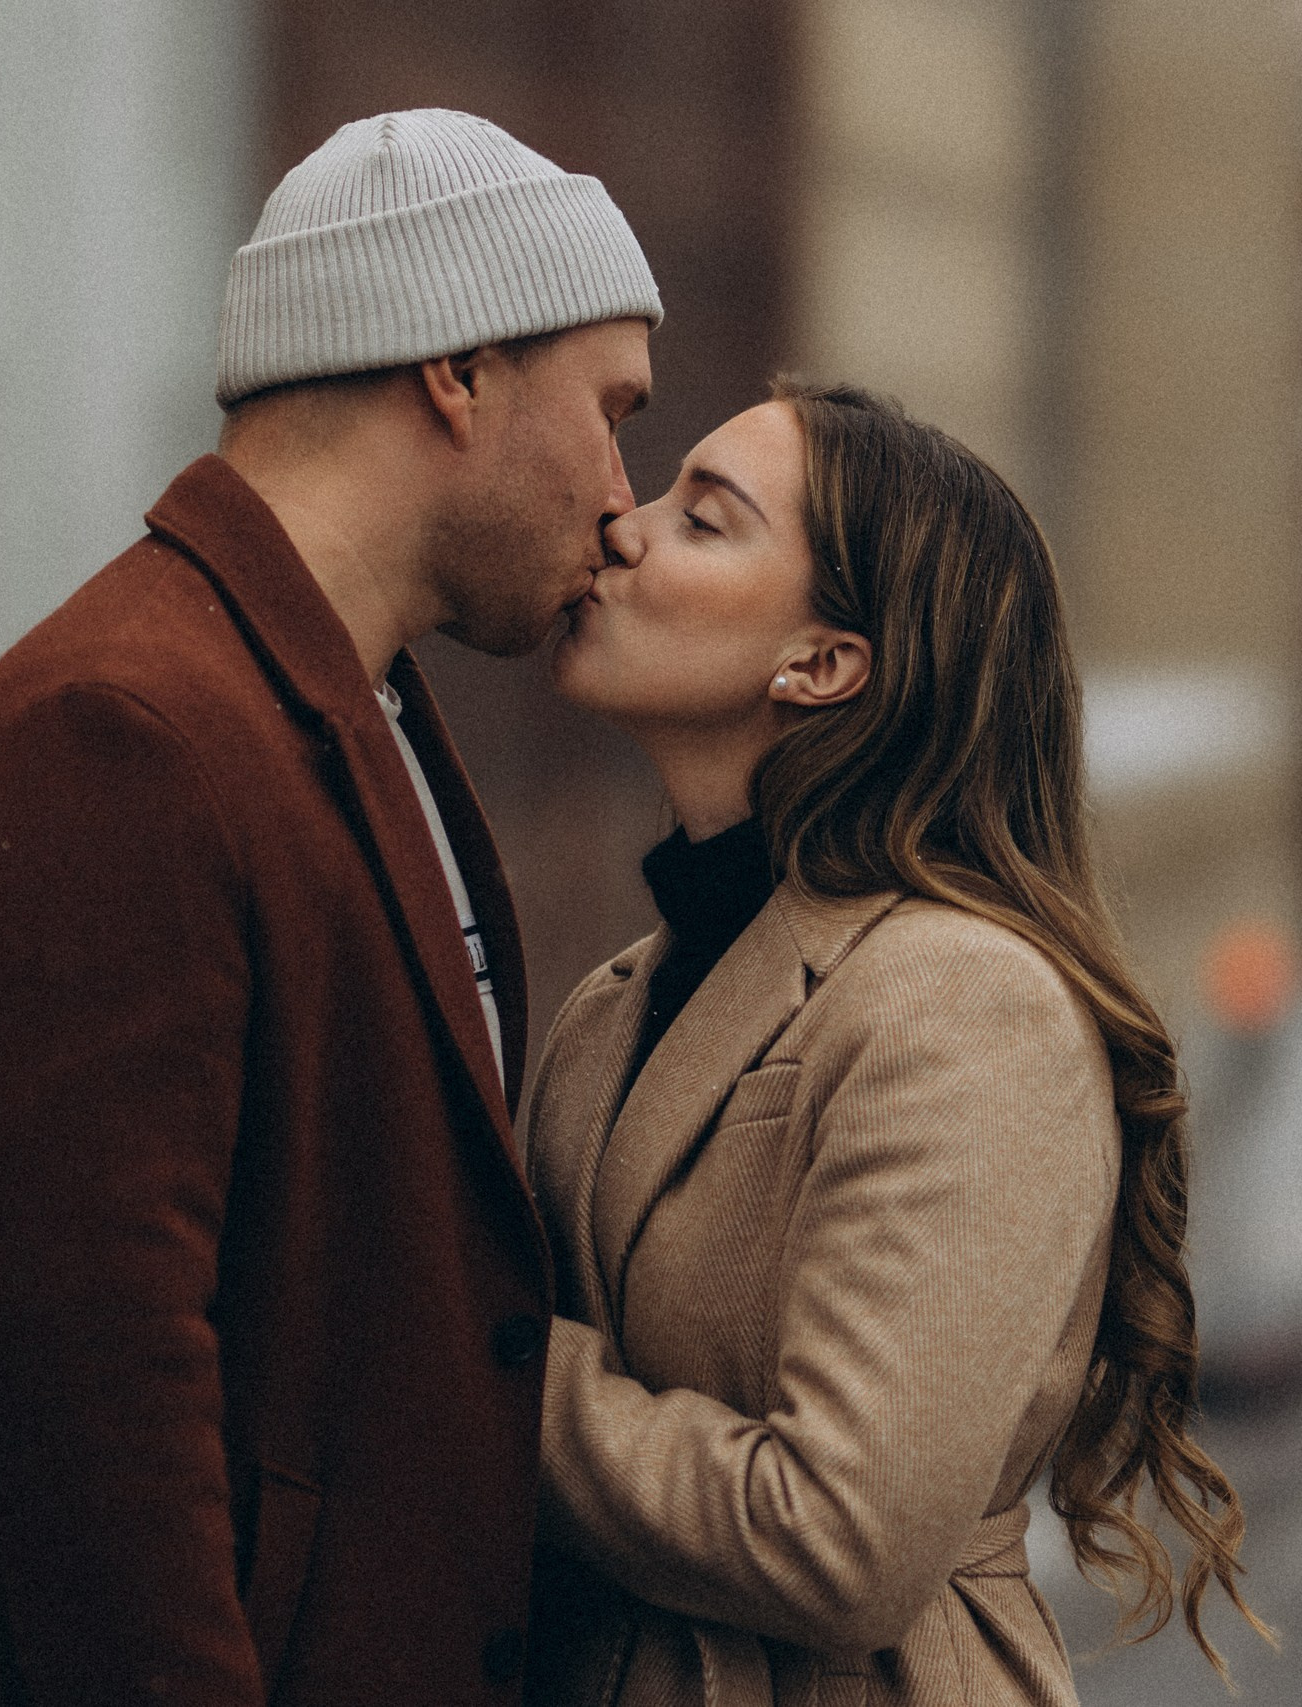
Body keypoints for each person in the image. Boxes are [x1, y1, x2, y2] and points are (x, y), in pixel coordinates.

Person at [0, 110, 657, 1706]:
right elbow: (93, 1410)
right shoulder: (120, 735)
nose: (623, 494)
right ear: (459, 372)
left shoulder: (336, 711)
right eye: (609, 411)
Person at [520, 380, 1264, 1705]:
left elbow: (842, 1539)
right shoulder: (613, 1004)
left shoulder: (964, 998)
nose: (622, 528)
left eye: (702, 519)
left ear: (821, 663)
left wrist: (486, 1371)